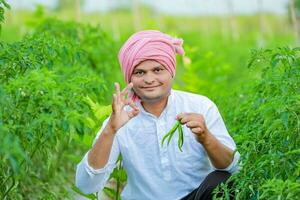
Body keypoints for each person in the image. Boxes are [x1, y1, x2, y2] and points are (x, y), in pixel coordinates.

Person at [75, 30, 240, 200]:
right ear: (129, 77)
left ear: (171, 72)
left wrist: (206, 138)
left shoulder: (200, 106)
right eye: (139, 72)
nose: (149, 79)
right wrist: (110, 130)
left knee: (221, 180)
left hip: (195, 197)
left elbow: (234, 168)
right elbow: (86, 185)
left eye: (157, 70)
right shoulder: (120, 119)